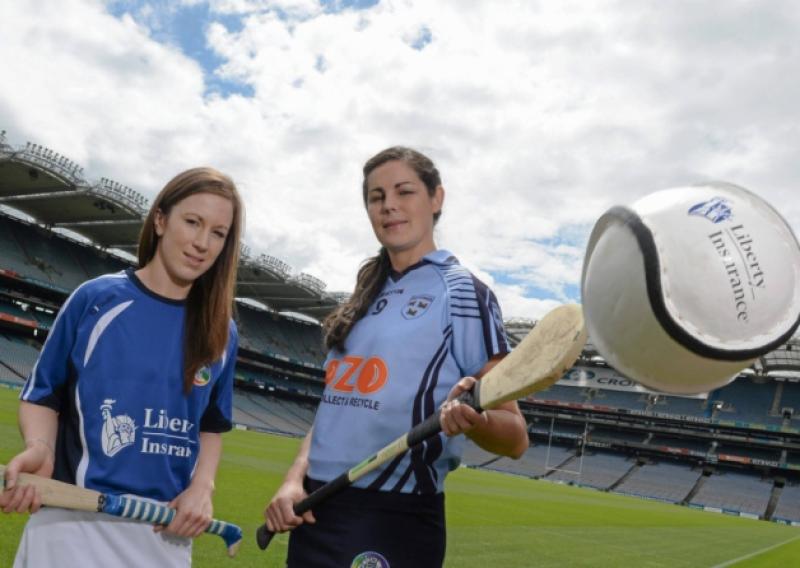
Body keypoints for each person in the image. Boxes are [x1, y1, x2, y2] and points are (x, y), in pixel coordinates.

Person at [264, 147, 529, 567]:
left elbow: (515, 437)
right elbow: (334, 407)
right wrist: (294, 479)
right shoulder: (365, 291)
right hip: (317, 508)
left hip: (393, 517)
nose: (388, 205)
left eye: (404, 192)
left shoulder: (463, 294)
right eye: (376, 196)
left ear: (436, 198)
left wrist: (475, 420)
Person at [0, 167, 243, 567]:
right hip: (72, 525)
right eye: (193, 222)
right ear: (161, 220)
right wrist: (40, 448)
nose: (202, 243)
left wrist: (203, 486)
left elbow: (211, 424)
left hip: (163, 535)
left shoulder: (222, 331)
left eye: (218, 233)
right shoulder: (96, 299)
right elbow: (43, 395)